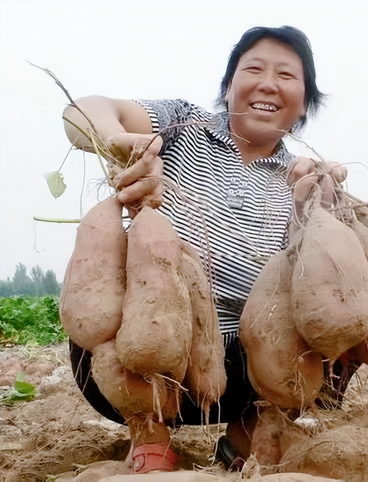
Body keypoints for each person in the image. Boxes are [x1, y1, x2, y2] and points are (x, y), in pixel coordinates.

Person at [62, 25, 345, 474]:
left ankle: (246, 436)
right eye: (253, 69)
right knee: (100, 299)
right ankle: (149, 434)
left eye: (287, 76)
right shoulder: (182, 125)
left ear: (306, 101)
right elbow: (84, 110)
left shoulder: (302, 178)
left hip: (246, 368)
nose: (268, 83)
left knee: (339, 317)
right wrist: (117, 140)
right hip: (153, 343)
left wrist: (321, 202)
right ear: (229, 86)